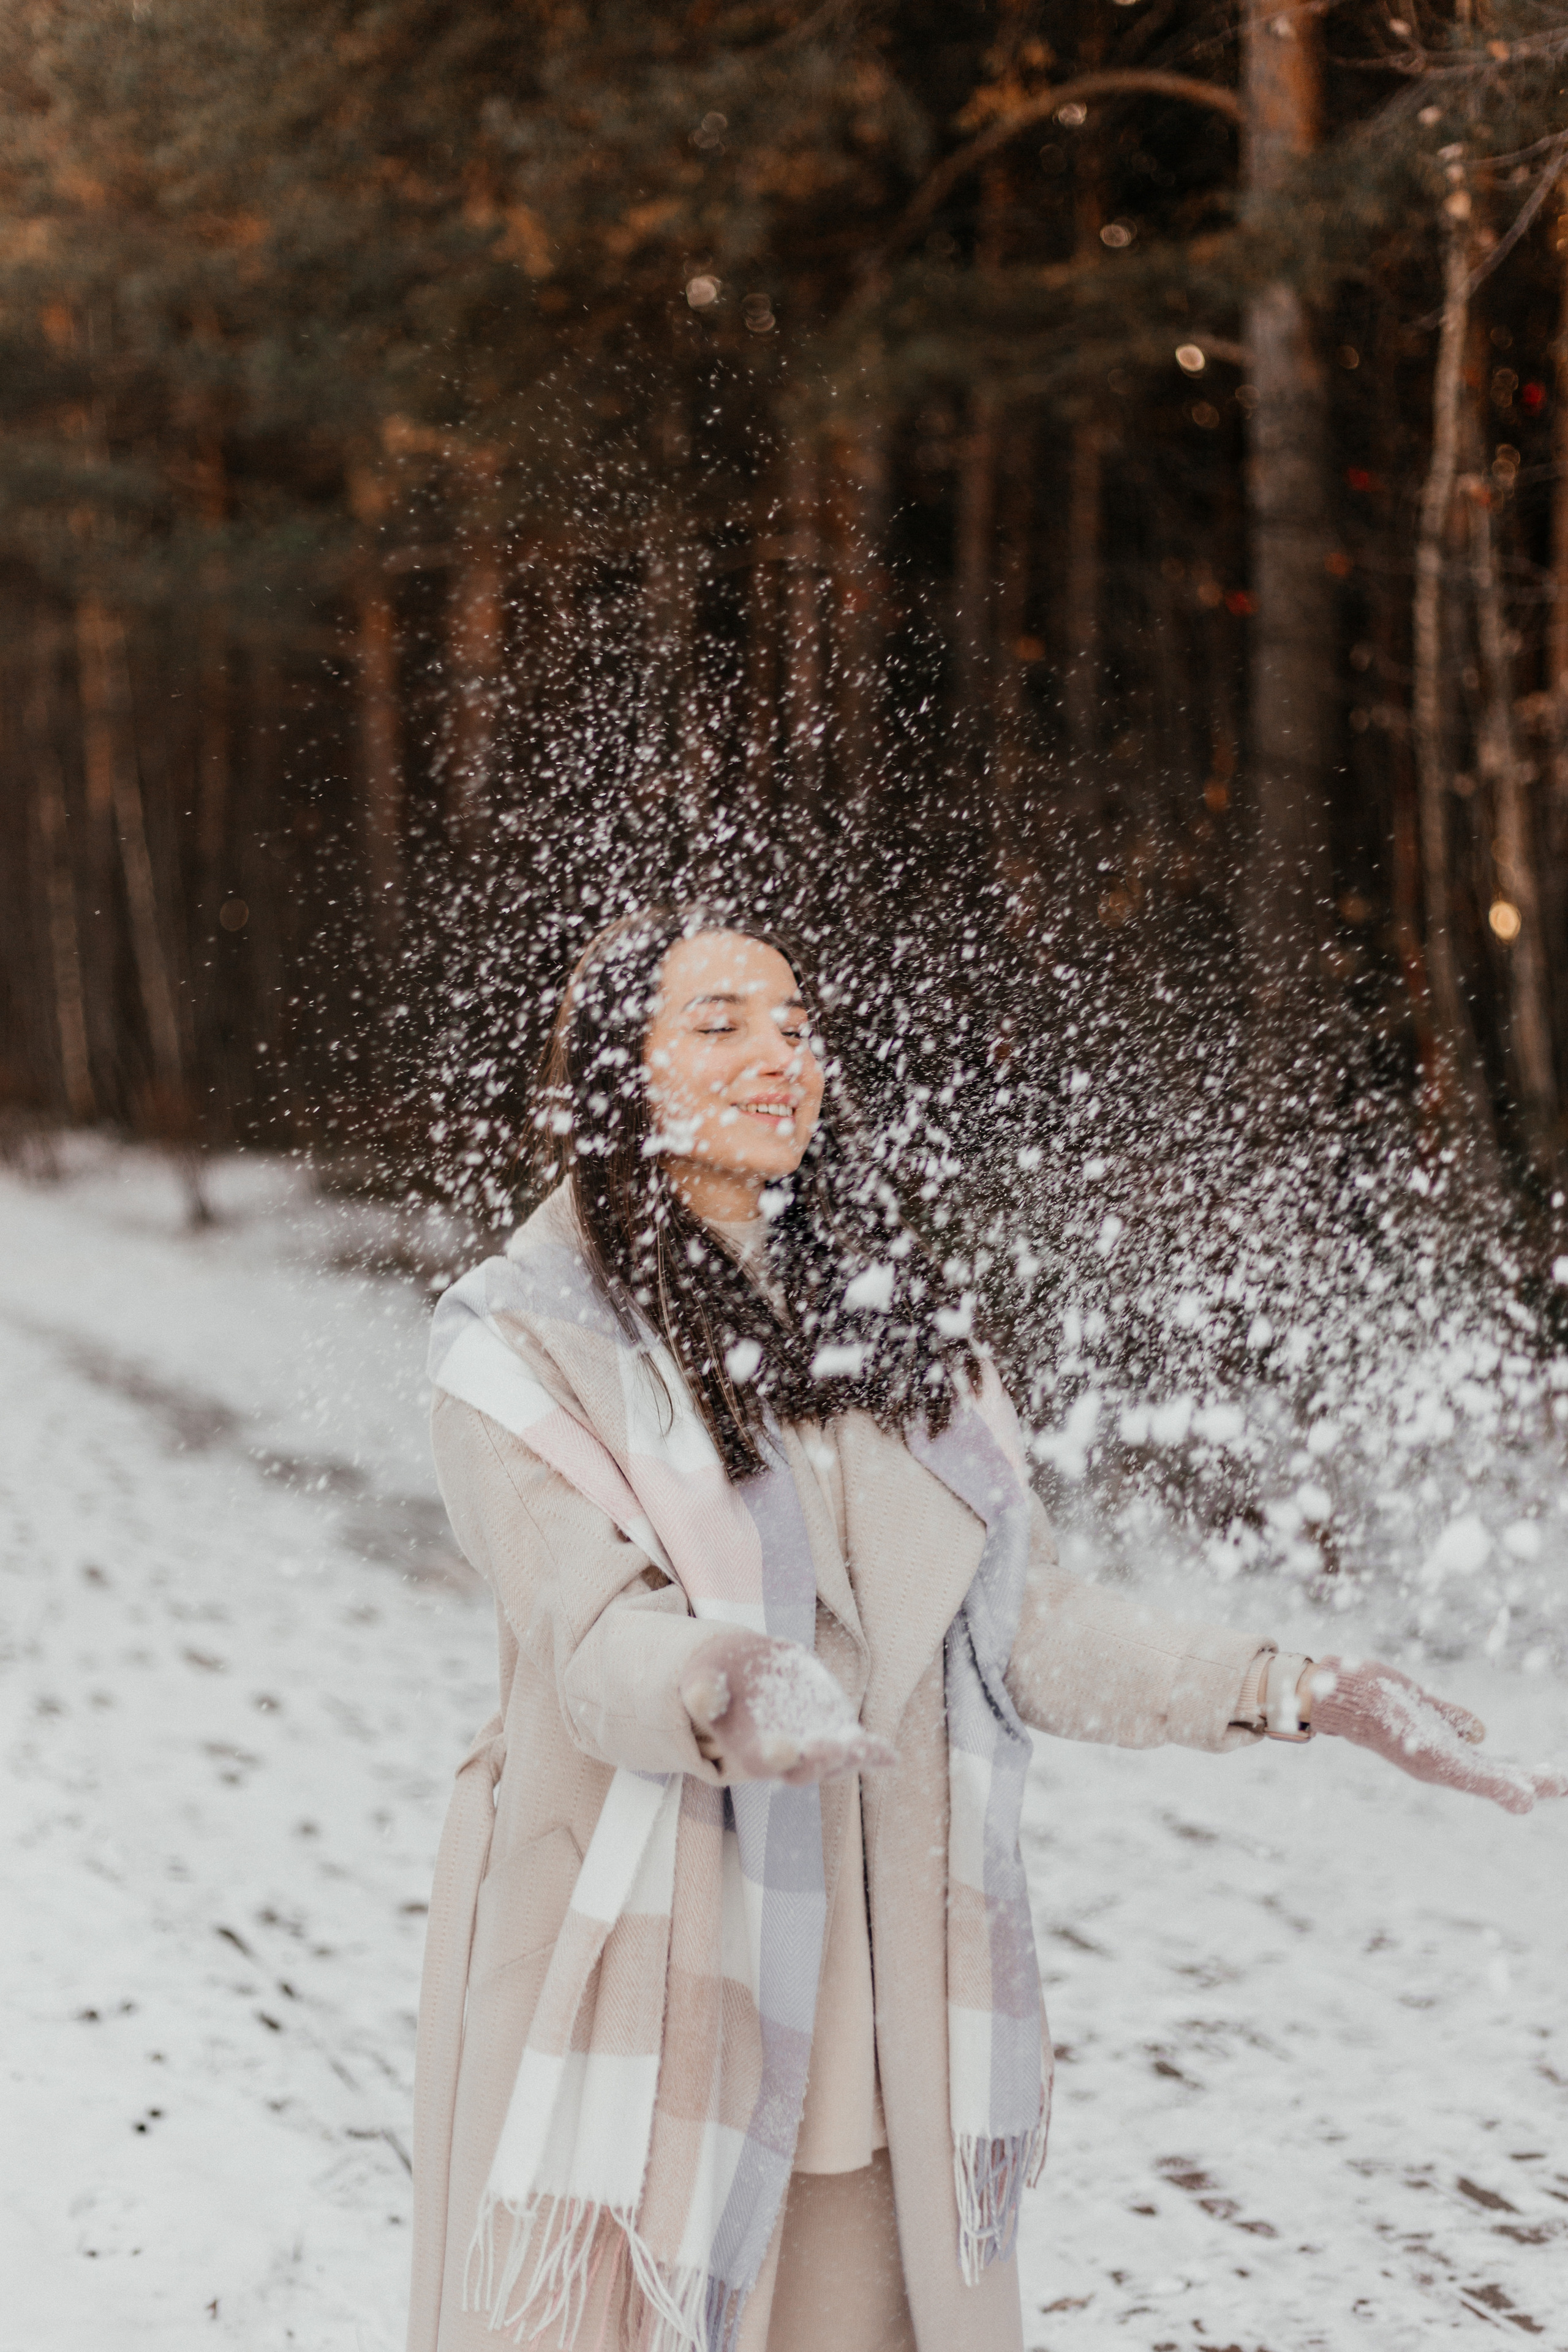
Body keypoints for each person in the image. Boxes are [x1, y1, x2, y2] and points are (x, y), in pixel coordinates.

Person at [406, 905, 1563, 2352]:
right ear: (612, 1078)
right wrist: (734, 1685)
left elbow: (1027, 1633)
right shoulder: (523, 1347)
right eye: (719, 1023)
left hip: (882, 2008)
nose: (780, 1055)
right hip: (659, 1983)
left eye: (796, 1024)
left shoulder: (896, 1334)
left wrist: (1298, 1689)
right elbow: (589, 1647)